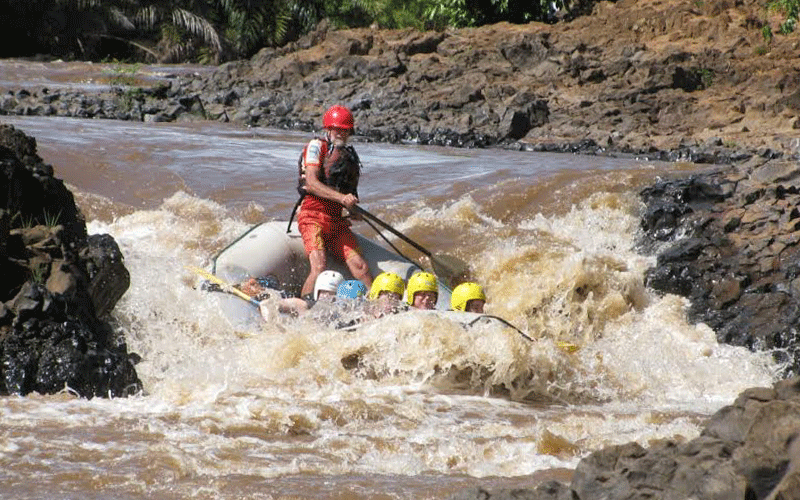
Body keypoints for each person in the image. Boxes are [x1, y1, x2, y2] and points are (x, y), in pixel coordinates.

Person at [294, 105, 373, 299]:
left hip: (336, 221)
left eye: (345, 130)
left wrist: (354, 210)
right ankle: (303, 306)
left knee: (361, 267)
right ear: (328, 129)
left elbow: (349, 194)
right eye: (338, 129)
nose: (342, 134)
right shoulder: (316, 146)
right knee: (319, 266)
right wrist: (341, 199)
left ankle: (374, 306)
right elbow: (311, 183)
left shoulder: (349, 157)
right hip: (312, 216)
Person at [274, 270, 344, 317]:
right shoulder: (309, 305)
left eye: (332, 293)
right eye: (323, 292)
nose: (326, 296)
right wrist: (272, 305)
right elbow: (279, 304)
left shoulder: (345, 310)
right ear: (317, 292)